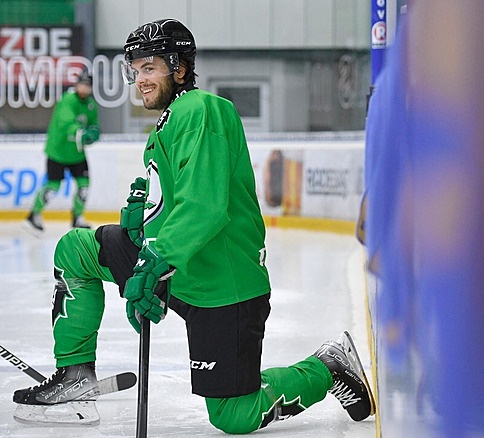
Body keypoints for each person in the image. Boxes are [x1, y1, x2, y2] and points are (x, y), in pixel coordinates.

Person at [12, 18, 375, 433]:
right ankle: (76, 375)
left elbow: (204, 208)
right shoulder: (168, 122)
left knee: (234, 417)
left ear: (179, 68)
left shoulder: (201, 111)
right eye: (136, 70)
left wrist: (153, 264)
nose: (140, 79)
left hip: (224, 283)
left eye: (150, 68)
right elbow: (175, 205)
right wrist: (141, 225)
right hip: (180, 267)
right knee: (76, 250)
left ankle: (326, 366)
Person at [23, 69, 100, 235]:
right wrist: (81, 133)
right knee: (52, 186)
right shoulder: (68, 100)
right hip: (58, 151)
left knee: (84, 186)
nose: (84, 88)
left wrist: (94, 131)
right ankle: (33, 214)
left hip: (77, 153)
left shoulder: (90, 105)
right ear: (76, 84)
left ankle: (77, 217)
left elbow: (93, 123)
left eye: (87, 86)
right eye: (82, 84)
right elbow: (66, 123)